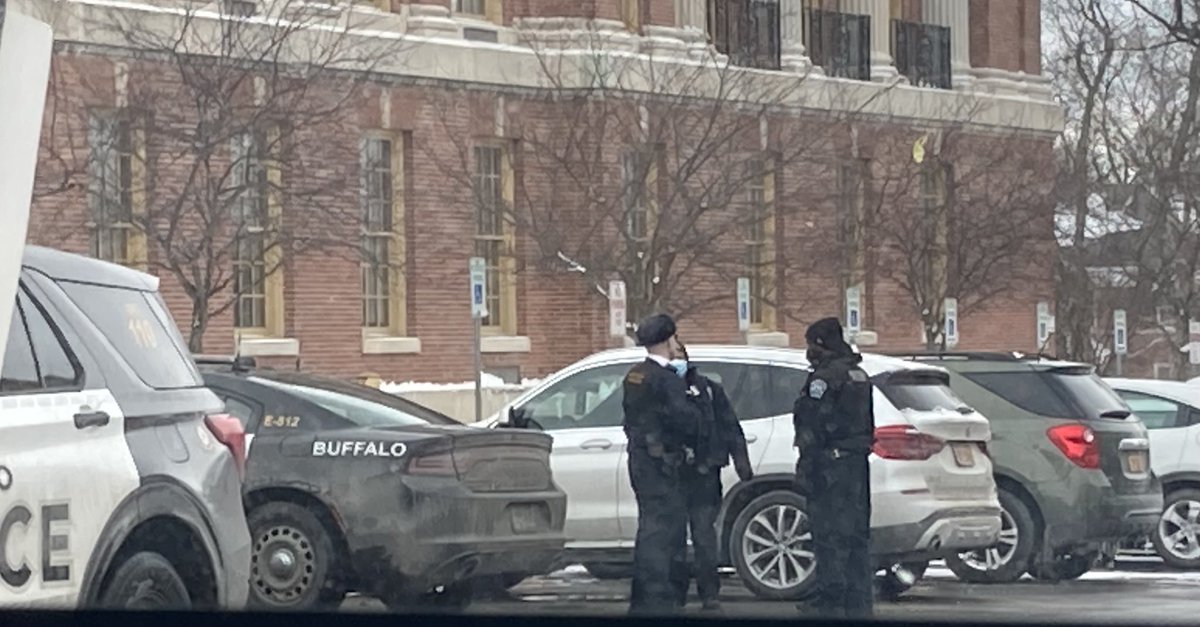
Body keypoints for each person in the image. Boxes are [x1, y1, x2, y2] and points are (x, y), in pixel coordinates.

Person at [792, 317, 876, 619]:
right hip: (856, 466)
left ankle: (830, 599)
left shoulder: (824, 378)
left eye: (810, 344)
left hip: (830, 467)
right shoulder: (859, 374)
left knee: (829, 535)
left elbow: (812, 423)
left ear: (820, 344)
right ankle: (859, 601)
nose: (809, 351)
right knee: (856, 536)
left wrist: (808, 464)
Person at [622, 313, 705, 615]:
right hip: (663, 465)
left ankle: (643, 596)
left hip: (642, 461)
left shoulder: (635, 375)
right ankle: (660, 598)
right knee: (665, 533)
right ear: (668, 340)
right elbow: (684, 421)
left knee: (649, 529)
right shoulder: (668, 380)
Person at [666, 339, 754, 612]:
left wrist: (743, 467)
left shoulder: (708, 389)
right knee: (673, 537)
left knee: (704, 536)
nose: (675, 357)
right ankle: (674, 593)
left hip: (704, 472)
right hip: (672, 474)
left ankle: (709, 593)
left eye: (679, 352)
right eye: (671, 353)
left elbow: (730, 426)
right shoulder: (658, 388)